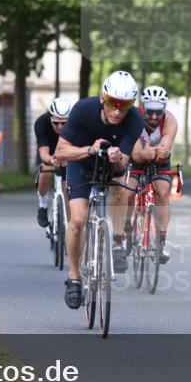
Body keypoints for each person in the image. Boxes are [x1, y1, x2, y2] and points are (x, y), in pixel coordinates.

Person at [54, 71, 144, 309]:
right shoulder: (83, 109)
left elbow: (124, 163)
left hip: (109, 167)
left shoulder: (134, 120)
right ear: (103, 98)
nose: (117, 111)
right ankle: (74, 276)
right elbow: (60, 152)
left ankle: (117, 243)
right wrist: (90, 150)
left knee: (121, 191)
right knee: (78, 220)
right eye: (113, 102)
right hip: (81, 164)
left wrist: (116, 157)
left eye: (124, 105)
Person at [127, 85, 178, 263]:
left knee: (163, 192)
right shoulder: (133, 117)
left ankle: (161, 242)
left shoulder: (170, 120)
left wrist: (163, 152)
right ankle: (126, 228)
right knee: (126, 191)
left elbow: (165, 144)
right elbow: (134, 153)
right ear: (143, 108)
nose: (154, 117)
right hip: (136, 156)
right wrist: (142, 154)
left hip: (159, 160)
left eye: (159, 112)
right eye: (150, 112)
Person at [34, 97, 72, 227]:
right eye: (56, 123)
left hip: (67, 152)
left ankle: (68, 224)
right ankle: (43, 205)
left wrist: (68, 160)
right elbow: (44, 152)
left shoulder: (75, 124)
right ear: (50, 117)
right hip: (49, 152)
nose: (60, 126)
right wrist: (51, 160)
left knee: (67, 186)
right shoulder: (42, 123)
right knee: (45, 171)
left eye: (64, 123)